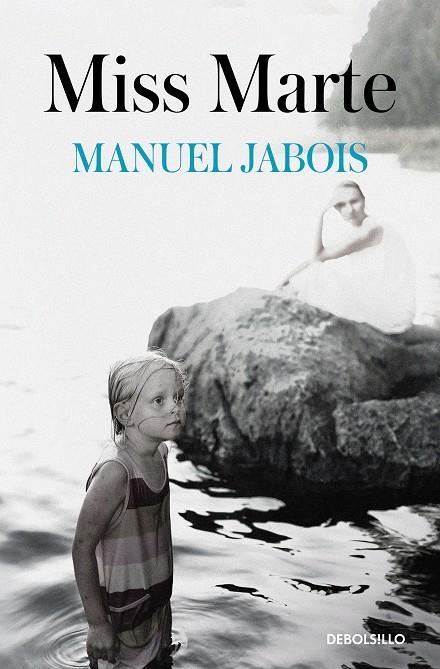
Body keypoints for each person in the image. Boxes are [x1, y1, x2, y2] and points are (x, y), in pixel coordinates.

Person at [72, 350, 187, 669]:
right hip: (120, 619)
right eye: (159, 401)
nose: (175, 407)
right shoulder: (115, 473)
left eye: (177, 397)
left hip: (155, 604)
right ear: (125, 413)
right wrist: (97, 624)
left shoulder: (160, 453)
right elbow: (82, 547)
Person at [279, 180, 416, 334]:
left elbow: (318, 257)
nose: (349, 210)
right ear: (336, 209)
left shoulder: (373, 229)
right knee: (315, 274)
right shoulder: (356, 232)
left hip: (394, 310)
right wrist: (282, 282)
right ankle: (282, 301)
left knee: (318, 274)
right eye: (341, 205)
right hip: (380, 302)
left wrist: (321, 214)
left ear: (364, 200)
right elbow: (313, 260)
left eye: (354, 202)